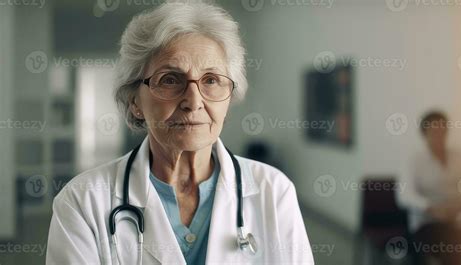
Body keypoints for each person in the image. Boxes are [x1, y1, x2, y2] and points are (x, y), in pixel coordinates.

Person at [45, 1, 314, 265]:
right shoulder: (82, 201)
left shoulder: (274, 191)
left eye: (211, 80)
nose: (194, 101)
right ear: (135, 102)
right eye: (170, 80)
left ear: (228, 99)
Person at [396, 111, 461, 264]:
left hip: (458, 217)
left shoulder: (460, 158)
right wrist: (432, 208)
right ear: (425, 133)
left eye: (443, 130)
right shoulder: (415, 160)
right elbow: (404, 196)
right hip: (428, 222)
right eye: (435, 131)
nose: (440, 135)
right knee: (456, 249)